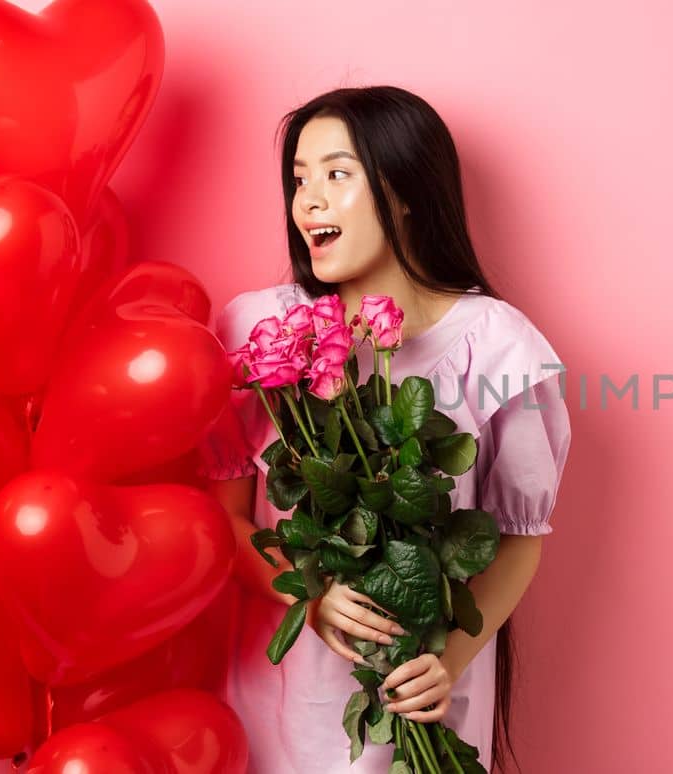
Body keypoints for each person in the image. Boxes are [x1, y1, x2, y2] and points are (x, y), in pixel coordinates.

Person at [195, 86, 571, 773]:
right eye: (300, 180)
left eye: (337, 175)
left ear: (405, 192)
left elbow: (519, 540)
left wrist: (445, 662)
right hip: (285, 705)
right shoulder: (258, 334)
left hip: (420, 705)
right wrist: (308, 596)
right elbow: (221, 518)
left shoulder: (499, 349)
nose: (308, 201)